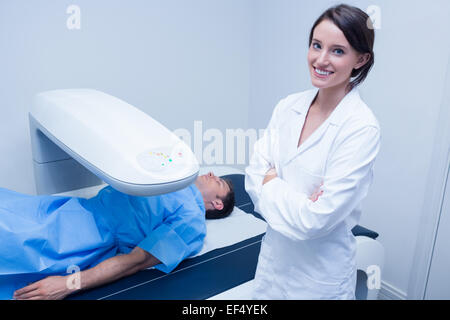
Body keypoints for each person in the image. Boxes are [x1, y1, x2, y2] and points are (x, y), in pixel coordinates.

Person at [245, 4, 381, 299]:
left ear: (361, 59)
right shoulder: (287, 106)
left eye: (337, 51)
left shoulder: (360, 127)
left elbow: (315, 220)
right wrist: (294, 198)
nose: (321, 59)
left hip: (319, 279)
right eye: (316, 45)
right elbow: (252, 177)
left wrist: (271, 181)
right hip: (273, 266)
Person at [0, 172, 234, 300]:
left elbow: (135, 262)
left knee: (11, 240)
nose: (212, 174)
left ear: (217, 204)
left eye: (219, 181)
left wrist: (67, 284)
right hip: (71, 208)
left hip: (84, 238)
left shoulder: (192, 222)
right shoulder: (171, 178)